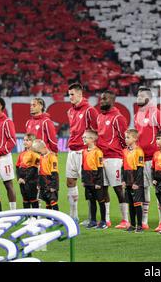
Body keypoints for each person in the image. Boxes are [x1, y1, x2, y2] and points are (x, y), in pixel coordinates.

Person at [134, 87, 161, 231]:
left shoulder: (157, 113)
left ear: (148, 98)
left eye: (141, 95)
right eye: (137, 95)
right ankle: (144, 222)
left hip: (155, 158)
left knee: (159, 189)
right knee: (144, 189)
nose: (138, 97)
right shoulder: (137, 115)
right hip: (141, 158)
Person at [66, 83, 98, 222]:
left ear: (80, 94)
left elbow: (97, 131)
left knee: (88, 184)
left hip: (84, 151)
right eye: (69, 95)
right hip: (71, 150)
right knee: (70, 181)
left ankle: (92, 217)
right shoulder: (70, 111)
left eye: (72, 94)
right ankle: (74, 215)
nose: (70, 97)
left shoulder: (90, 110)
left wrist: (91, 149)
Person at [97, 90, 129, 229]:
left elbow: (123, 139)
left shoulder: (118, 118)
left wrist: (123, 156)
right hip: (101, 157)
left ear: (112, 100)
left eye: (104, 99)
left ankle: (125, 219)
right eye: (101, 99)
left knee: (118, 188)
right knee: (103, 189)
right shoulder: (99, 117)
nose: (101, 101)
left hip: (114, 158)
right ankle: (107, 219)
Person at [81, 130, 107, 229]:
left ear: (92, 139)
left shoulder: (98, 152)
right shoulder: (84, 152)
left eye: (85, 137)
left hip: (96, 181)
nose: (83, 139)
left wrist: (98, 182)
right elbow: (82, 166)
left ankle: (103, 221)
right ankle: (93, 220)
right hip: (87, 181)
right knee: (91, 201)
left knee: (100, 201)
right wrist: (83, 180)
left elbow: (100, 168)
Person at [122, 129, 145, 233]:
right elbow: (123, 167)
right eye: (125, 137)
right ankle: (132, 224)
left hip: (136, 182)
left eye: (128, 137)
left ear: (135, 138)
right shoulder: (125, 151)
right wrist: (123, 180)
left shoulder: (139, 151)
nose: (125, 139)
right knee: (130, 204)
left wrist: (137, 183)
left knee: (137, 204)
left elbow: (140, 169)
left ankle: (139, 225)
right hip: (127, 181)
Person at [32, 139, 59, 210]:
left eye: (39, 151)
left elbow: (55, 172)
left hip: (50, 181)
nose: (38, 153)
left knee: (52, 200)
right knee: (47, 201)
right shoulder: (40, 157)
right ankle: (49, 219)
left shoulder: (52, 157)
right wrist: (38, 183)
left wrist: (54, 186)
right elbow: (39, 171)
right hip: (43, 181)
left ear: (44, 148)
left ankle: (57, 219)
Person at [16, 133, 40, 210]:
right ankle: (27, 218)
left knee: (33, 199)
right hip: (22, 181)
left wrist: (25, 179)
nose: (25, 142)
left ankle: (35, 217)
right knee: (25, 199)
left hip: (31, 181)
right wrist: (19, 178)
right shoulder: (21, 154)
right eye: (25, 140)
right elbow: (17, 167)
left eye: (28, 140)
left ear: (33, 142)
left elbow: (34, 169)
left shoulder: (35, 154)